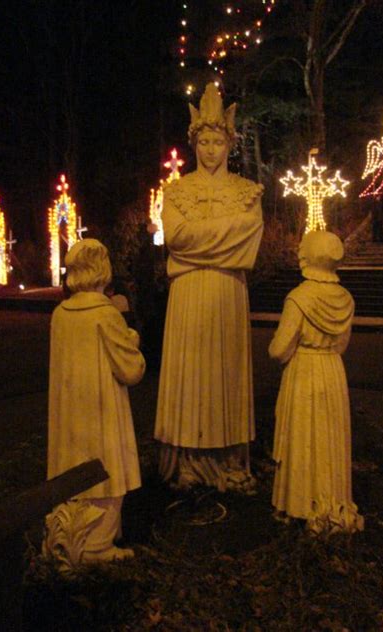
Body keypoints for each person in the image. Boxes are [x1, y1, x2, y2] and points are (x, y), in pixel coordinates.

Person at [154, 83, 264, 492]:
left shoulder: (245, 191)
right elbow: (176, 238)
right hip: (188, 299)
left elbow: (249, 238)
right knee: (191, 370)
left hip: (227, 293)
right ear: (194, 143)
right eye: (205, 141)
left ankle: (229, 460)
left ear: (229, 143)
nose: (212, 149)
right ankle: (188, 459)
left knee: (226, 372)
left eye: (218, 141)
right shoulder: (177, 191)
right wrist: (225, 238)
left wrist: (195, 246)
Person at [43, 239, 146, 567]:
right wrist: (133, 341)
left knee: (71, 466)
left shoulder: (61, 314)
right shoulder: (106, 313)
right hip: (101, 410)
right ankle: (97, 546)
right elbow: (131, 369)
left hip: (71, 410)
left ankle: (67, 538)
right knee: (107, 469)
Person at [269, 231, 364, 534]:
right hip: (332, 371)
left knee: (303, 435)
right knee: (329, 438)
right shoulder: (345, 298)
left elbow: (279, 348)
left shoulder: (299, 297)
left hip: (304, 371)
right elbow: (342, 345)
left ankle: (300, 502)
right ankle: (330, 499)